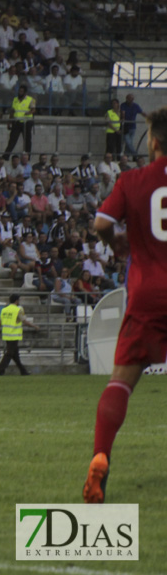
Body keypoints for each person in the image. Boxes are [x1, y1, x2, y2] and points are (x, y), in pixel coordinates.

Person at [84, 106, 167, 503]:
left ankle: (101, 457)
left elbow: (100, 224)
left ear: (153, 141)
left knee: (121, 381)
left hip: (148, 293)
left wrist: (117, 242)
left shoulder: (133, 180)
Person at [0, 294, 38, 375]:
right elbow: (24, 321)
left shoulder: (4, 309)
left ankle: (23, 371)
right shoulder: (18, 310)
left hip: (6, 334)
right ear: (17, 301)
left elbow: (0, 322)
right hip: (14, 335)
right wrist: (34, 326)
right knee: (9, 354)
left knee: (15, 355)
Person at [2, 85, 36, 159]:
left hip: (26, 122)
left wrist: (29, 112)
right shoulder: (15, 99)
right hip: (17, 121)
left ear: (25, 92)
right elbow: (12, 111)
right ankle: (6, 155)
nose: (20, 93)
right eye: (19, 91)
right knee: (12, 139)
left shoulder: (30, 99)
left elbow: (33, 109)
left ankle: (28, 157)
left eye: (21, 91)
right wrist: (9, 121)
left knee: (27, 140)